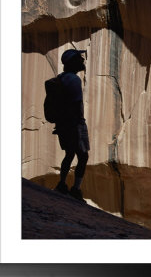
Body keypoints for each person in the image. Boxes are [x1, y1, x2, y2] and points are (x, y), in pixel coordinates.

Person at [53, 49, 90, 203]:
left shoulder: (61, 78)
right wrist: (77, 124)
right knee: (83, 156)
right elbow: (75, 103)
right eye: (79, 58)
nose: (82, 60)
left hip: (63, 123)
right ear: (73, 62)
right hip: (75, 124)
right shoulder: (74, 80)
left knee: (69, 154)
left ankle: (62, 184)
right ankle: (75, 189)